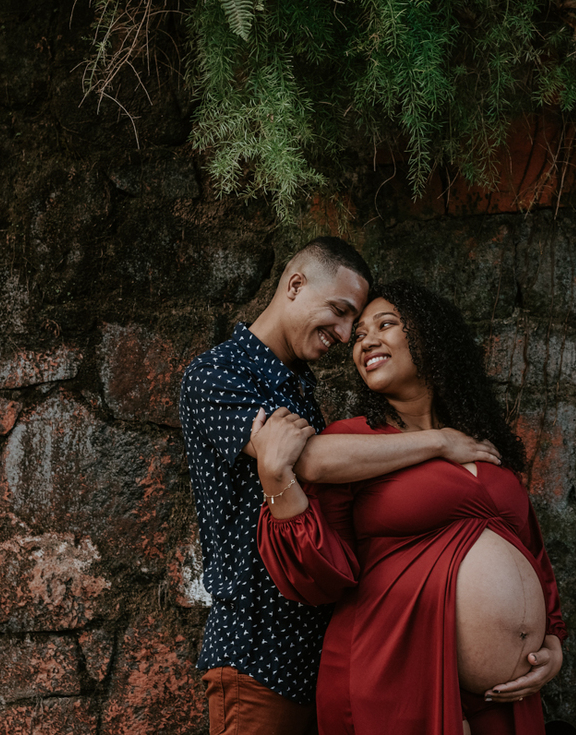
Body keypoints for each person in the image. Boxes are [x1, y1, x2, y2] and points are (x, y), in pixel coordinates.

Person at [180, 240, 503, 735]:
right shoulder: (216, 373)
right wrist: (439, 442)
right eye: (340, 311)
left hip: (327, 650)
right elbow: (306, 461)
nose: (347, 333)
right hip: (261, 651)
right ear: (295, 285)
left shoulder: (297, 384)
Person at [255, 281, 567, 735]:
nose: (366, 341)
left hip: (506, 697)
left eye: (385, 325)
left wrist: (553, 641)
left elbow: (533, 553)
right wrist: (277, 481)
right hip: (395, 673)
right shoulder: (356, 441)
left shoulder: (480, 445)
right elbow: (321, 568)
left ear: (429, 337)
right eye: (359, 335)